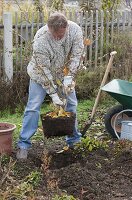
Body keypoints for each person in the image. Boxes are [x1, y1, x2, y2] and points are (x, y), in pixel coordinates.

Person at [16, 12, 84, 160]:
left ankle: (74, 141)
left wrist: (69, 77)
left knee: (71, 104)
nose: (58, 38)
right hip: (40, 74)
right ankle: (23, 145)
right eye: (55, 35)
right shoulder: (41, 39)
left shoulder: (75, 30)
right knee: (33, 106)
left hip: (63, 73)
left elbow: (77, 55)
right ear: (49, 28)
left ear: (66, 27)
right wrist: (53, 94)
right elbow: (43, 69)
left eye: (61, 35)